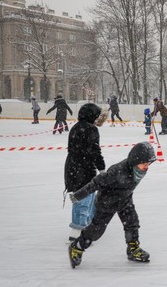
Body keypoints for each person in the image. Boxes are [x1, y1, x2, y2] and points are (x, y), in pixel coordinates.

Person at [68, 141, 157, 268]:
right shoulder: (117, 171)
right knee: (96, 231)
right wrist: (79, 195)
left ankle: (133, 249)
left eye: (148, 164)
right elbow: (96, 182)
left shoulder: (138, 170)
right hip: (107, 202)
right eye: (144, 163)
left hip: (125, 199)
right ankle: (76, 247)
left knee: (132, 223)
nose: (146, 167)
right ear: (134, 161)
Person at [64, 103, 106, 242]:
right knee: (84, 198)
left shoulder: (76, 127)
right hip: (84, 168)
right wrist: (101, 167)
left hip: (72, 167)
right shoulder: (91, 129)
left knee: (79, 196)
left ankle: (84, 226)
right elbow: (94, 150)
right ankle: (79, 230)